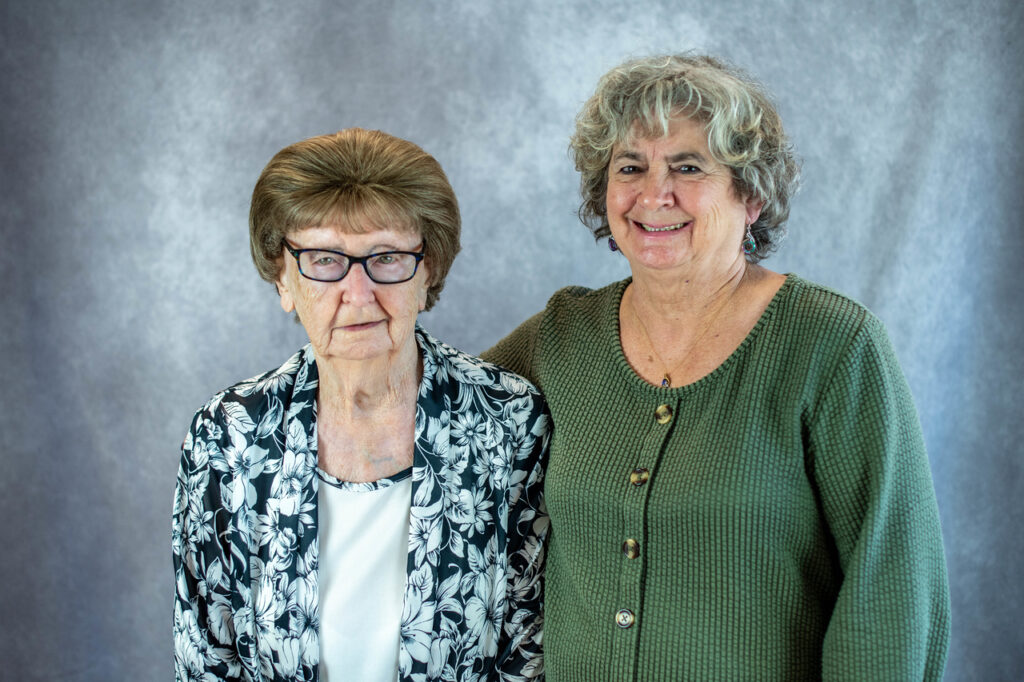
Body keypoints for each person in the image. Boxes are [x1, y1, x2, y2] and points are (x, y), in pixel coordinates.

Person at [483, 54, 950, 680]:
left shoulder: (833, 346)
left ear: (751, 196)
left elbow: (894, 590)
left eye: (688, 166)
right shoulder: (563, 338)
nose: (655, 194)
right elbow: (428, 408)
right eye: (631, 167)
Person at [172, 128, 549, 682]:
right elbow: (207, 657)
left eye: (388, 257)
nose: (358, 292)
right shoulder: (228, 436)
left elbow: (527, 652)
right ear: (282, 277)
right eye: (324, 259)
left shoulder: (509, 423)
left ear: (430, 271)